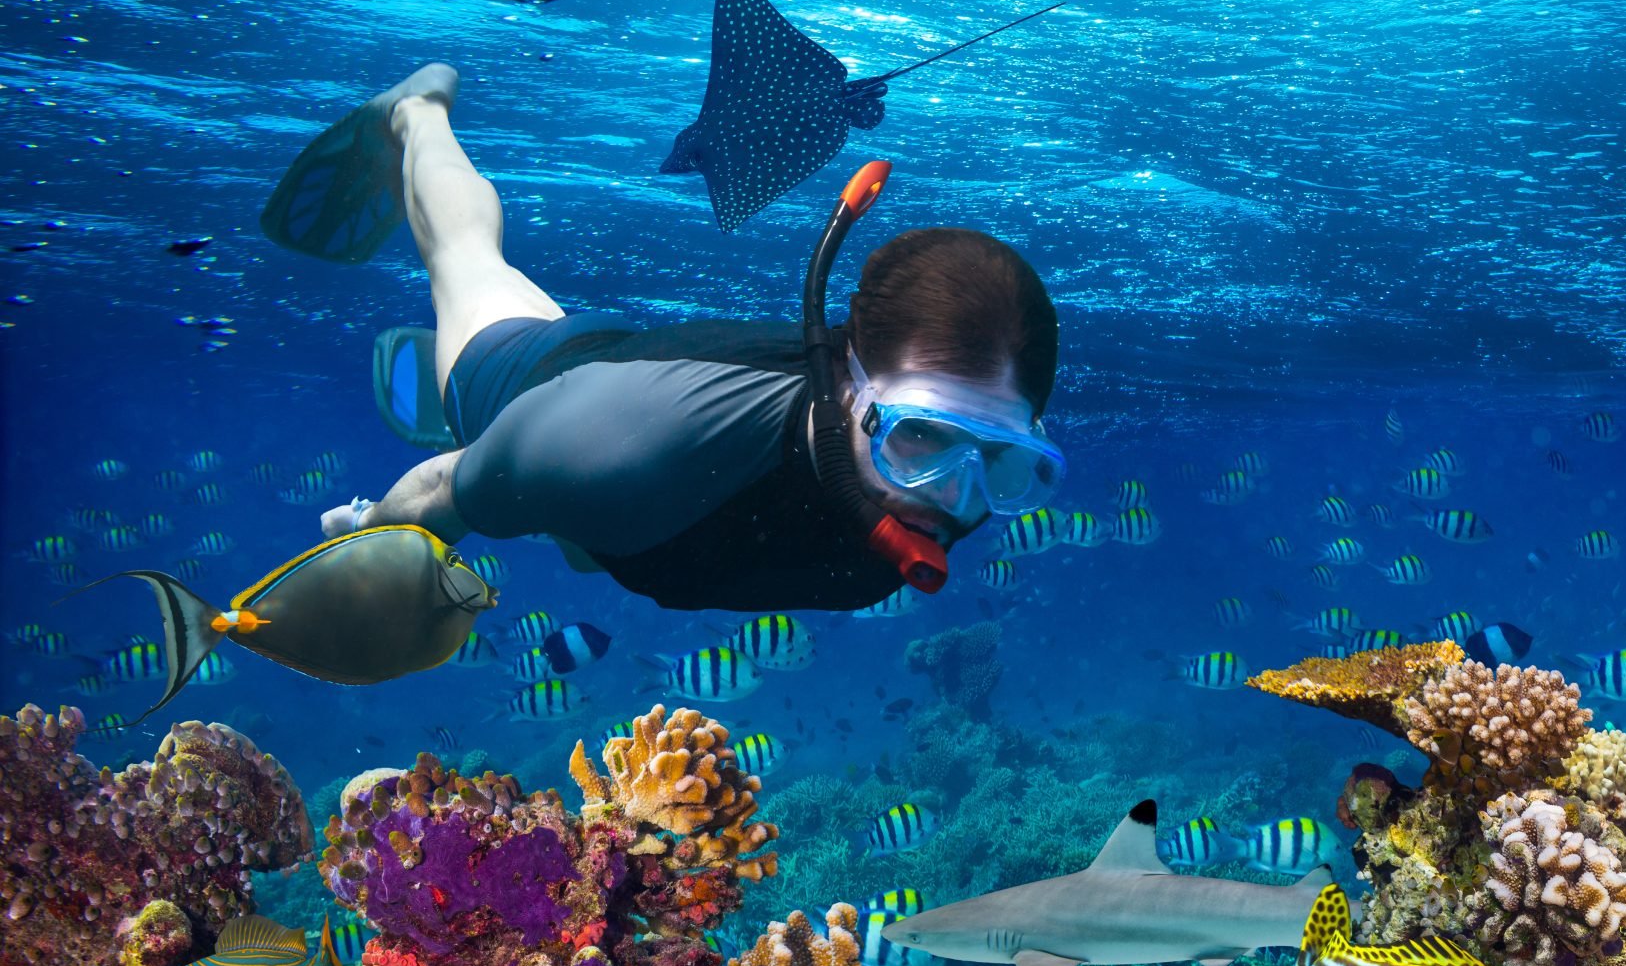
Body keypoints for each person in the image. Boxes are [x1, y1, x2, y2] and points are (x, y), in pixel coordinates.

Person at [268, 63, 1062, 612]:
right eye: (919, 436)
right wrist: (371, 546)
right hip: (546, 389)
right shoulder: (610, 444)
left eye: (1000, 458)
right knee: (465, 257)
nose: (953, 499)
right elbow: (444, 491)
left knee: (581, 525)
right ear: (848, 383)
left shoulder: (938, 488)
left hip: (637, 485)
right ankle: (419, 111)